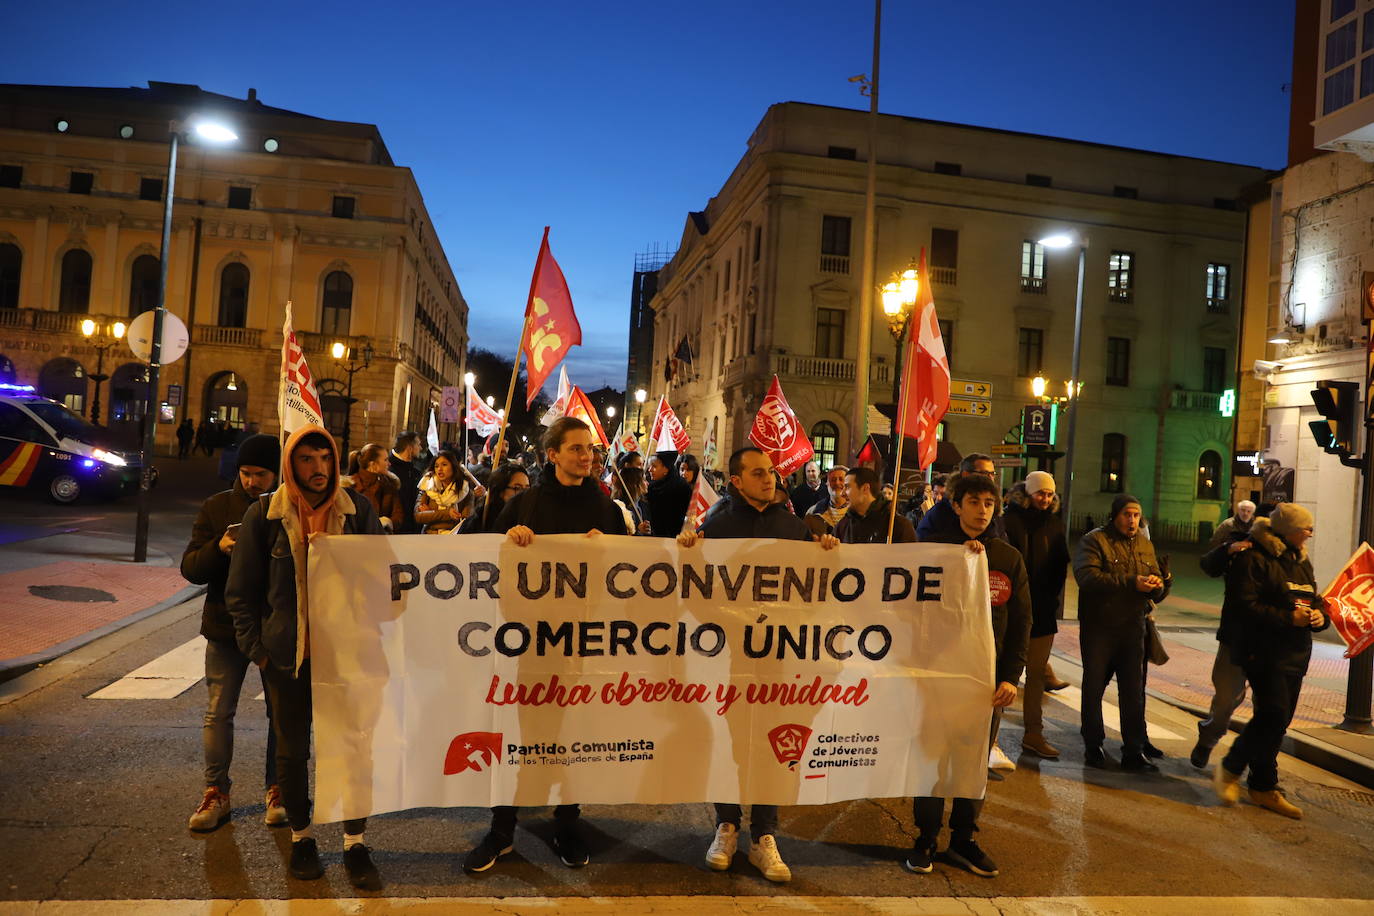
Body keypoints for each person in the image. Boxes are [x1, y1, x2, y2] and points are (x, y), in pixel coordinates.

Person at [463, 417, 629, 873]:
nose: (587, 456)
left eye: (590, 449)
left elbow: (633, 577)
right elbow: (483, 563)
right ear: (552, 454)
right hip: (527, 645)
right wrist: (508, 540)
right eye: (576, 449)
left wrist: (610, 549)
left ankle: (567, 822)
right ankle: (502, 830)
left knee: (571, 737)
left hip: (583, 645)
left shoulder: (607, 509)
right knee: (517, 737)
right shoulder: (527, 505)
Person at [225, 426, 385, 889]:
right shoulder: (267, 515)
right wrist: (259, 652)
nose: (318, 469)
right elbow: (242, 593)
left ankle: (355, 844)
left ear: (336, 463)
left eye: (324, 459)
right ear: (291, 465)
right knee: (292, 754)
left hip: (347, 658)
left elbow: (387, 575)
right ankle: (302, 838)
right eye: (307, 460)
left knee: (353, 749)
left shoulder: (358, 513)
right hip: (287, 660)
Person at [677, 446, 838, 884]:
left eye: (771, 472)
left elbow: (818, 589)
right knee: (729, 742)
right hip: (728, 658)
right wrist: (689, 552)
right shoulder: (718, 526)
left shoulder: (793, 527)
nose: (769, 479)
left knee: (771, 743)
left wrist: (826, 550)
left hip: (779, 659)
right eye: (758, 473)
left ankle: (764, 835)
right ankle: (726, 826)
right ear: (736, 480)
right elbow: (694, 590)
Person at [908, 473, 1030, 879]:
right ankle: (925, 836)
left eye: (989, 504)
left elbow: (1020, 624)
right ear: (955, 505)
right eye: (973, 502)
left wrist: (1011, 676)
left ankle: (963, 838)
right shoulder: (931, 551)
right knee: (931, 758)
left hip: (987, 682)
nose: (982, 511)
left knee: (973, 761)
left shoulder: (1008, 558)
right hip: (937, 676)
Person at [181, 433, 284, 832]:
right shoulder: (217, 506)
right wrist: (218, 549)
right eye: (245, 473)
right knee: (218, 711)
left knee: (280, 714)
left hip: (274, 629)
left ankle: (277, 787)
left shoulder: (286, 509)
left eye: (260, 474)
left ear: (276, 473)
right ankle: (215, 791)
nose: (251, 481)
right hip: (225, 627)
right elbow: (190, 568)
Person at [1213, 504, 1328, 819]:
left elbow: (1313, 599)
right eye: (1307, 527)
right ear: (1289, 530)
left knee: (1278, 722)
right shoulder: (1253, 558)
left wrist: (1320, 616)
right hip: (1263, 652)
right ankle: (1232, 766)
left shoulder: (1300, 561)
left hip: (1295, 653)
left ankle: (1263, 785)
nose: (1310, 533)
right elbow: (1243, 606)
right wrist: (1288, 618)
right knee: (1273, 714)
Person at [1072, 494, 1171, 771]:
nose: (1132, 520)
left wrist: (1158, 584)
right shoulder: (1095, 540)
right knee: (1093, 687)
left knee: (1133, 690)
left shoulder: (1144, 544)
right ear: (1115, 515)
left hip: (1132, 626)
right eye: (1127, 514)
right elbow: (1087, 577)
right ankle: (1093, 745)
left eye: (1137, 515)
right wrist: (1131, 582)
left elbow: (1155, 585)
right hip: (1099, 627)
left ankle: (1134, 750)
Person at [1001, 472, 1072, 760]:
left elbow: (1059, 564)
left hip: (1042, 611)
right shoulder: (1008, 521)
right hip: (1010, 609)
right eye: (1040, 493)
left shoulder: (1054, 525)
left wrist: (1050, 598)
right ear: (1028, 493)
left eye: (1049, 494)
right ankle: (988, 735)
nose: (1045, 499)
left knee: (1035, 676)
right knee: (1002, 673)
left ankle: (1033, 733)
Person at [1190, 508, 1261, 768]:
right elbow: (1208, 564)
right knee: (1227, 699)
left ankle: (1260, 767)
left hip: (1271, 645)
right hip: (1236, 638)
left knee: (1269, 708)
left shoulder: (1289, 557)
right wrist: (1227, 550)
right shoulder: (1240, 548)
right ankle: (1209, 737)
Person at [916, 455, 1006, 541]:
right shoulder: (942, 511)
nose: (990, 478)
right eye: (984, 473)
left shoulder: (995, 512)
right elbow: (925, 544)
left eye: (992, 474)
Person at [834, 465, 916, 544]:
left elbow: (910, 557)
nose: (842, 493)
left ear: (865, 488)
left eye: (847, 487)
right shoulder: (843, 526)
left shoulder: (899, 526)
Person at [343, 443, 403, 532]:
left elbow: (398, 516)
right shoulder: (349, 486)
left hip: (381, 539)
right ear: (373, 464)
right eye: (385, 460)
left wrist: (388, 522)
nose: (389, 463)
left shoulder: (389, 486)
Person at [458, 462, 530, 534]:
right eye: (517, 488)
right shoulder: (481, 520)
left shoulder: (530, 516)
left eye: (527, 489)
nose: (524, 493)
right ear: (500, 491)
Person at [414, 449, 469, 534]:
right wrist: (448, 513)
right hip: (430, 536)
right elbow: (418, 516)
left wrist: (430, 512)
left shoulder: (463, 489)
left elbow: (465, 518)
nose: (439, 469)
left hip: (453, 538)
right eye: (436, 466)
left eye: (444, 465)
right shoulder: (427, 485)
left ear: (453, 466)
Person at [646, 450, 692, 536]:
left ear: (666, 469)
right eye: (649, 466)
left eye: (654, 466)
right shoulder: (651, 487)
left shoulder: (681, 487)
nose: (650, 470)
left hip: (676, 538)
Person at [388, 431, 424, 533]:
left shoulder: (415, 471)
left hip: (411, 529)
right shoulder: (389, 469)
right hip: (395, 529)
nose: (420, 448)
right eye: (418, 444)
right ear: (410, 447)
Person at [805, 465, 850, 534]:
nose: (837, 483)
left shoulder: (858, 513)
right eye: (833, 480)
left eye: (841, 479)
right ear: (827, 484)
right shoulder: (812, 513)